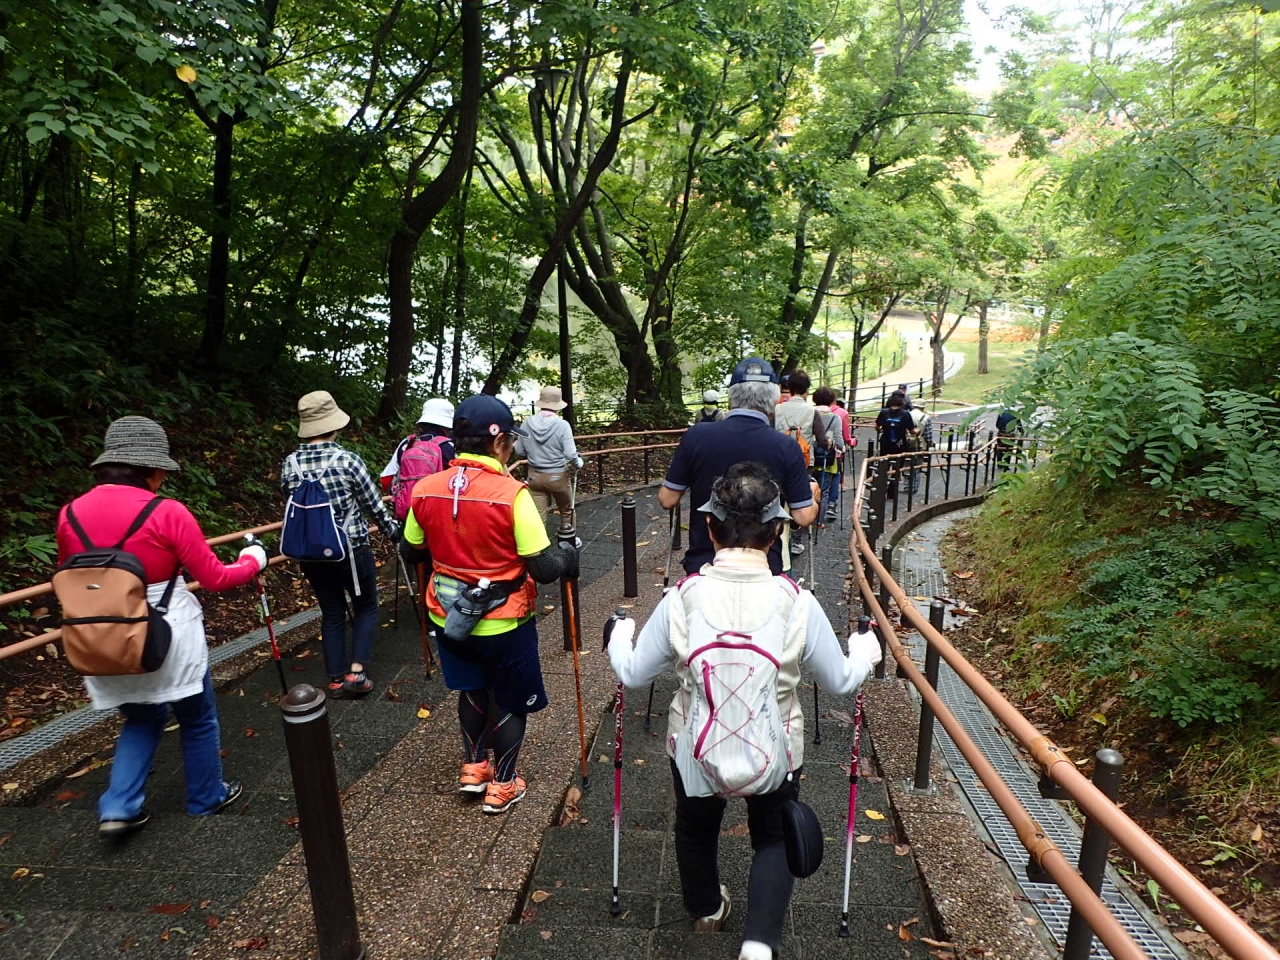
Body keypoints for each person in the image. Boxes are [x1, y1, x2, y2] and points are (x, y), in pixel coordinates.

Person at [608, 462, 882, 960]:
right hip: (776, 745)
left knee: (694, 827)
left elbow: (632, 674)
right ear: (777, 531)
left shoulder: (682, 598)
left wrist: (619, 636)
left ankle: (707, 907)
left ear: (709, 528)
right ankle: (758, 945)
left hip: (695, 744)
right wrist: (865, 650)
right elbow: (840, 680)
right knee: (774, 836)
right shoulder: (796, 601)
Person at [56, 417, 267, 837]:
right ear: (152, 469)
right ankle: (206, 796)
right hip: (165, 630)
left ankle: (118, 806)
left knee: (140, 718)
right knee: (197, 717)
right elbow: (214, 578)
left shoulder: (70, 513)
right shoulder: (166, 511)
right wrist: (254, 561)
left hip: (99, 633)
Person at [400, 395, 579, 814]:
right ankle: (503, 784)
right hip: (504, 619)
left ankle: (474, 767)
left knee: (472, 689)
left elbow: (411, 552)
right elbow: (545, 567)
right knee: (511, 698)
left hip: (450, 616)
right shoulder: (511, 495)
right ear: (499, 444)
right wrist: (569, 555)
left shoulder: (425, 490)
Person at [281, 391, 399, 699]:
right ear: (334, 425)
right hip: (350, 549)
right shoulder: (347, 461)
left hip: (310, 554)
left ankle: (335, 679)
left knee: (331, 611)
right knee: (366, 607)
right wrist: (392, 531)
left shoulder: (290, 464)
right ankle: (356, 673)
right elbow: (374, 504)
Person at [660, 357, 819, 574]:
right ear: (774, 400)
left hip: (705, 566)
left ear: (730, 397)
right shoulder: (786, 447)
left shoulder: (696, 436)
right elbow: (803, 516)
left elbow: (667, 499)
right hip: (763, 569)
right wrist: (813, 496)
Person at [773, 370, 831, 553]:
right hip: (803, 461)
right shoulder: (811, 411)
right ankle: (796, 540)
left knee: (778, 497)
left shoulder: (777, 409)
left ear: (788, 388)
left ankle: (776, 536)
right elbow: (822, 441)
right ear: (807, 390)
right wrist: (830, 443)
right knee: (800, 499)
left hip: (778, 459)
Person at [515, 385, 583, 530]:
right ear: (557, 405)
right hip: (558, 476)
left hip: (535, 476)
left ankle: (539, 547)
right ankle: (568, 540)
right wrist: (579, 463)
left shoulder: (527, 423)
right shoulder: (563, 425)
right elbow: (571, 454)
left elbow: (519, 451)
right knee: (566, 510)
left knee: (538, 514)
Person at [379, 397, 456, 493]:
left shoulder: (407, 443)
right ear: (447, 424)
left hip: (405, 505)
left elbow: (386, 480)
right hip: (435, 506)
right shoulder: (450, 447)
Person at [811, 387, 846, 523]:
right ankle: (819, 521)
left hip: (811, 457)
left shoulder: (810, 414)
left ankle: (809, 517)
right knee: (824, 491)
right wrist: (842, 448)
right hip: (828, 459)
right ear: (832, 401)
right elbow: (838, 441)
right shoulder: (835, 418)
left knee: (810, 487)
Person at [875, 390, 913, 497]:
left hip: (885, 443)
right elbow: (911, 430)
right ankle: (892, 492)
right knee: (897, 469)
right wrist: (917, 432)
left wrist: (882, 428)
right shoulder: (906, 414)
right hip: (900, 444)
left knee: (883, 467)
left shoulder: (883, 412)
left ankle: (880, 490)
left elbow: (877, 426)